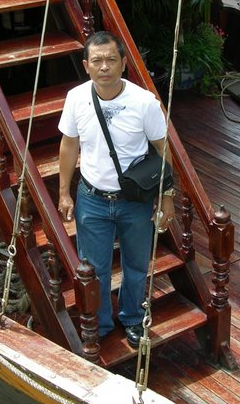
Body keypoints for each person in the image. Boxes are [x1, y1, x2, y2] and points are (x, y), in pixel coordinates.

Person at [57, 31, 175, 348]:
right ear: (86, 65)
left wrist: (167, 197)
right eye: (97, 60)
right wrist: (64, 192)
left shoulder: (144, 103)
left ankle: (133, 320)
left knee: (136, 267)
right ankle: (102, 323)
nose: (105, 66)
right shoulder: (76, 98)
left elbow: (164, 151)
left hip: (134, 201)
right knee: (94, 271)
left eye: (112, 59)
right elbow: (69, 146)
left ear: (124, 63)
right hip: (92, 200)